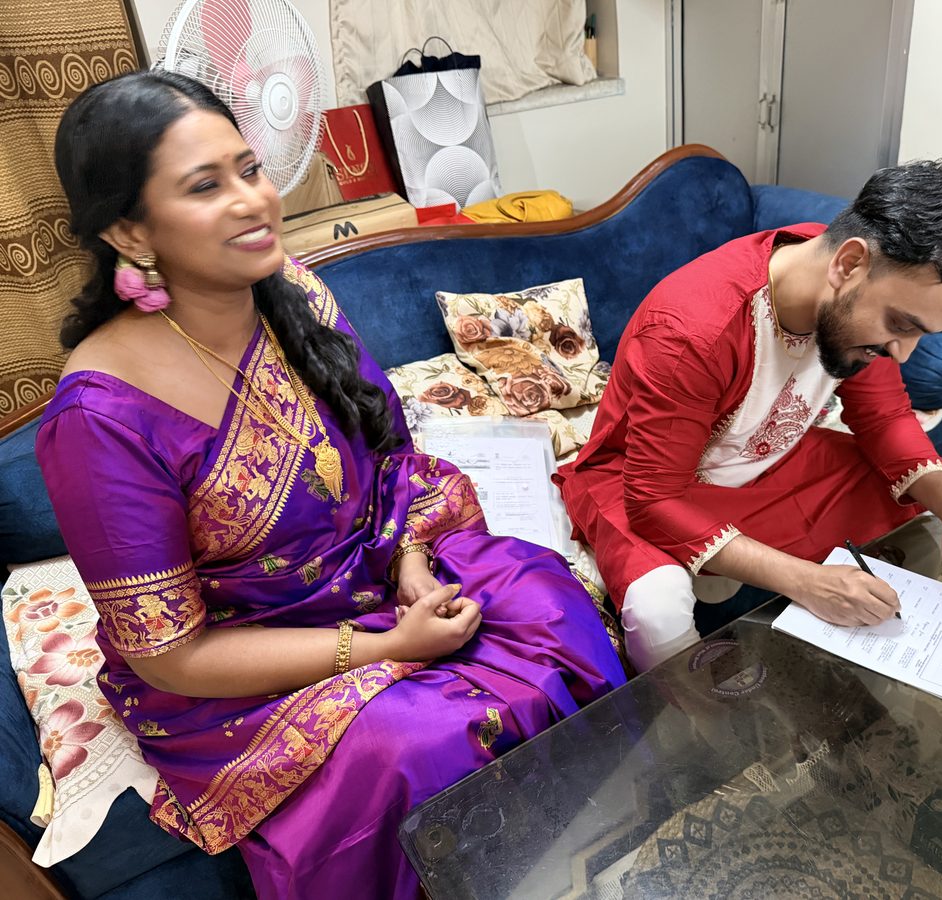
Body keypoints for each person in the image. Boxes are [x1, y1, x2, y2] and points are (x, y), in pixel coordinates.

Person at [38, 70, 625, 900]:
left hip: (380, 573)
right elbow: (171, 654)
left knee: (547, 594)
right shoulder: (99, 419)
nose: (253, 201)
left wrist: (411, 559)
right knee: (424, 743)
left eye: (250, 169)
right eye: (207, 186)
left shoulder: (296, 293)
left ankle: (582, 854)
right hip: (251, 653)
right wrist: (386, 648)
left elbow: (385, 458)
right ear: (130, 228)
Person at [556, 161, 942, 672]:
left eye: (921, 334)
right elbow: (654, 498)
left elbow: (883, 420)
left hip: (767, 461)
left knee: (920, 505)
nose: (904, 354)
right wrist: (807, 582)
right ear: (849, 264)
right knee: (657, 605)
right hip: (646, 480)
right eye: (901, 324)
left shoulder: (841, 271)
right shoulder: (692, 331)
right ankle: (696, 732)